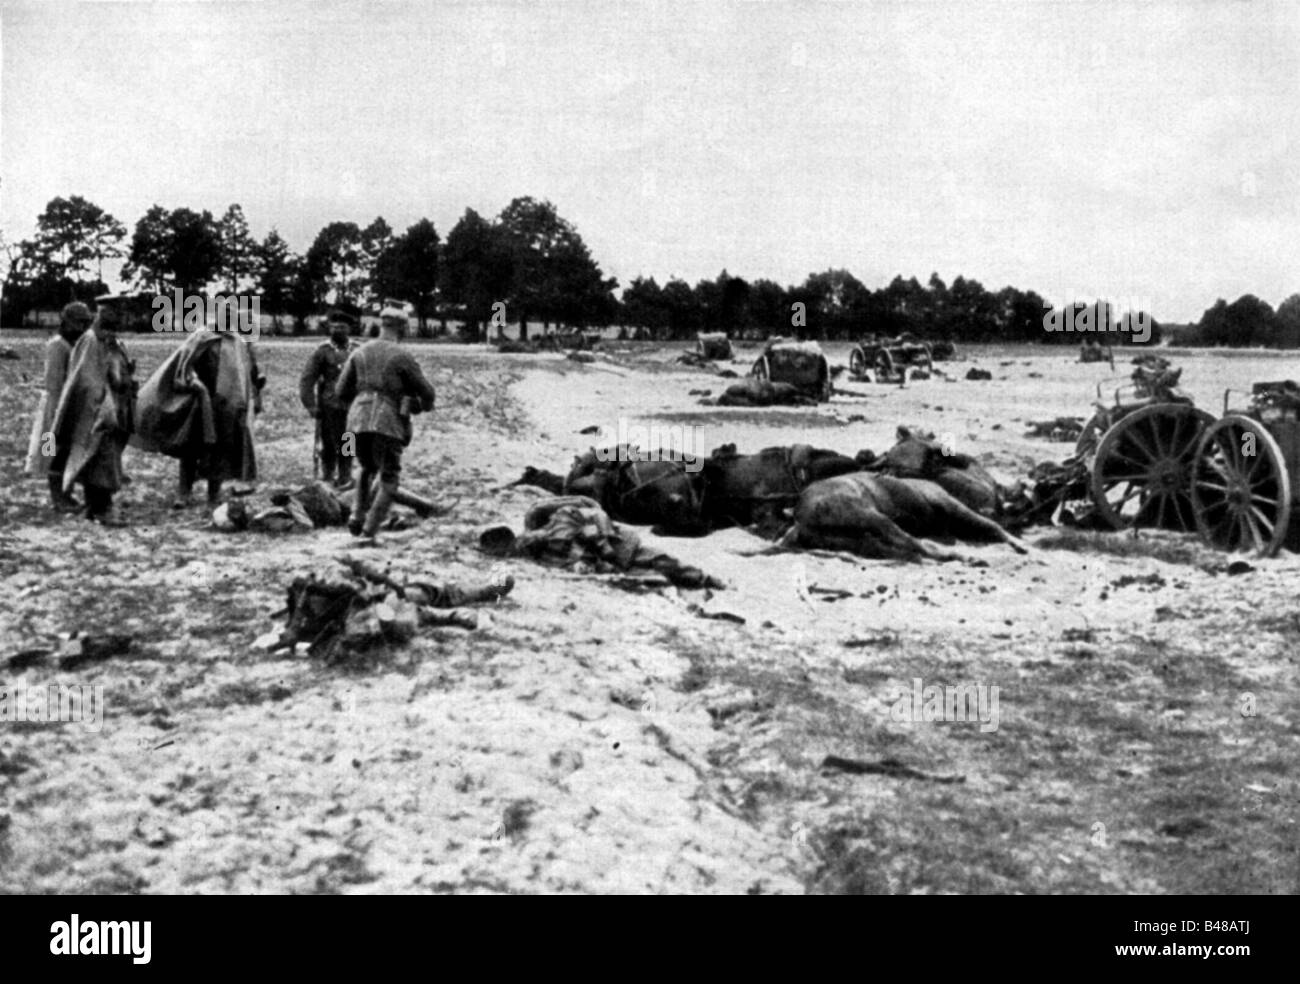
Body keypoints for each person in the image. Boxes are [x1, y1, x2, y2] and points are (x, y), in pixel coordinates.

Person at [132, 319, 265, 508]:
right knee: (191, 448)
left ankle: (214, 494)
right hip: (200, 402)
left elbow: (245, 371)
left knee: (220, 450)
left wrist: (252, 392)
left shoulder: (238, 341)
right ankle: (184, 493)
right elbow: (185, 365)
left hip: (224, 406)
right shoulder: (202, 336)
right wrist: (193, 380)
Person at [335, 305, 436, 544]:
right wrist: (419, 405)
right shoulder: (401, 356)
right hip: (388, 421)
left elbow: (340, 390)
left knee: (366, 468)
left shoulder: (359, 352)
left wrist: (362, 399)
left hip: (357, 419)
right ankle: (369, 531)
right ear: (401, 327)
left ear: (382, 324)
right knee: (390, 477)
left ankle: (356, 518)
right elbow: (427, 392)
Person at [49, 300, 137, 526]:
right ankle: (100, 508)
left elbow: (117, 373)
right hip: (95, 412)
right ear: (103, 313)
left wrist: (124, 381)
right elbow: (84, 379)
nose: (121, 319)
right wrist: (102, 402)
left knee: (104, 457)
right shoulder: (90, 340)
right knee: (98, 457)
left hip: (112, 410)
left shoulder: (112, 341)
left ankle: (94, 507)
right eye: (116, 313)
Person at [25, 301, 94, 511]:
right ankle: (59, 499)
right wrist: (58, 416)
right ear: (66, 322)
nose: (81, 328)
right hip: (55, 409)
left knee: (68, 452)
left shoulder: (75, 345)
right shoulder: (57, 346)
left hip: (70, 407)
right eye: (78, 323)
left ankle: (67, 495)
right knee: (53, 452)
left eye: (85, 323)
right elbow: (54, 384)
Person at [299, 310, 359, 489]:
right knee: (329, 443)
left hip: (351, 406)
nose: (338, 330)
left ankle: (345, 475)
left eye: (342, 327)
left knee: (348, 441)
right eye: (334, 327)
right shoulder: (322, 352)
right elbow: (307, 379)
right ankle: (327, 476)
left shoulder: (357, 350)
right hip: (329, 407)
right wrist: (310, 404)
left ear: (349, 329)